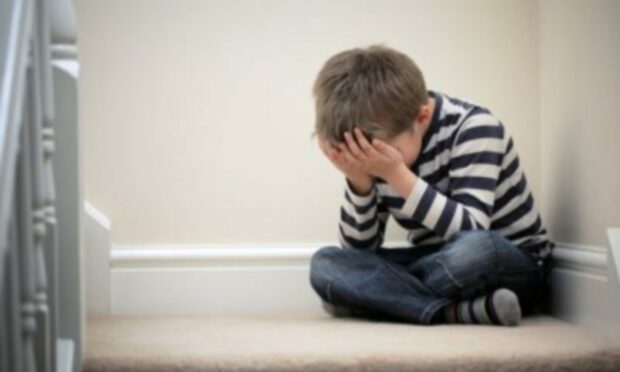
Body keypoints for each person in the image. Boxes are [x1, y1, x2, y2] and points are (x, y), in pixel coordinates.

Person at [308, 44, 555, 326]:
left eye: (384, 155)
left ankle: (381, 301)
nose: (372, 163)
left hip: (507, 260)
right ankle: (458, 312)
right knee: (326, 265)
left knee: (476, 251)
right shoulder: (376, 156)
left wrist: (395, 174)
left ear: (421, 117)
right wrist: (359, 182)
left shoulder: (475, 126)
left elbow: (472, 229)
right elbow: (360, 251)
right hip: (438, 263)